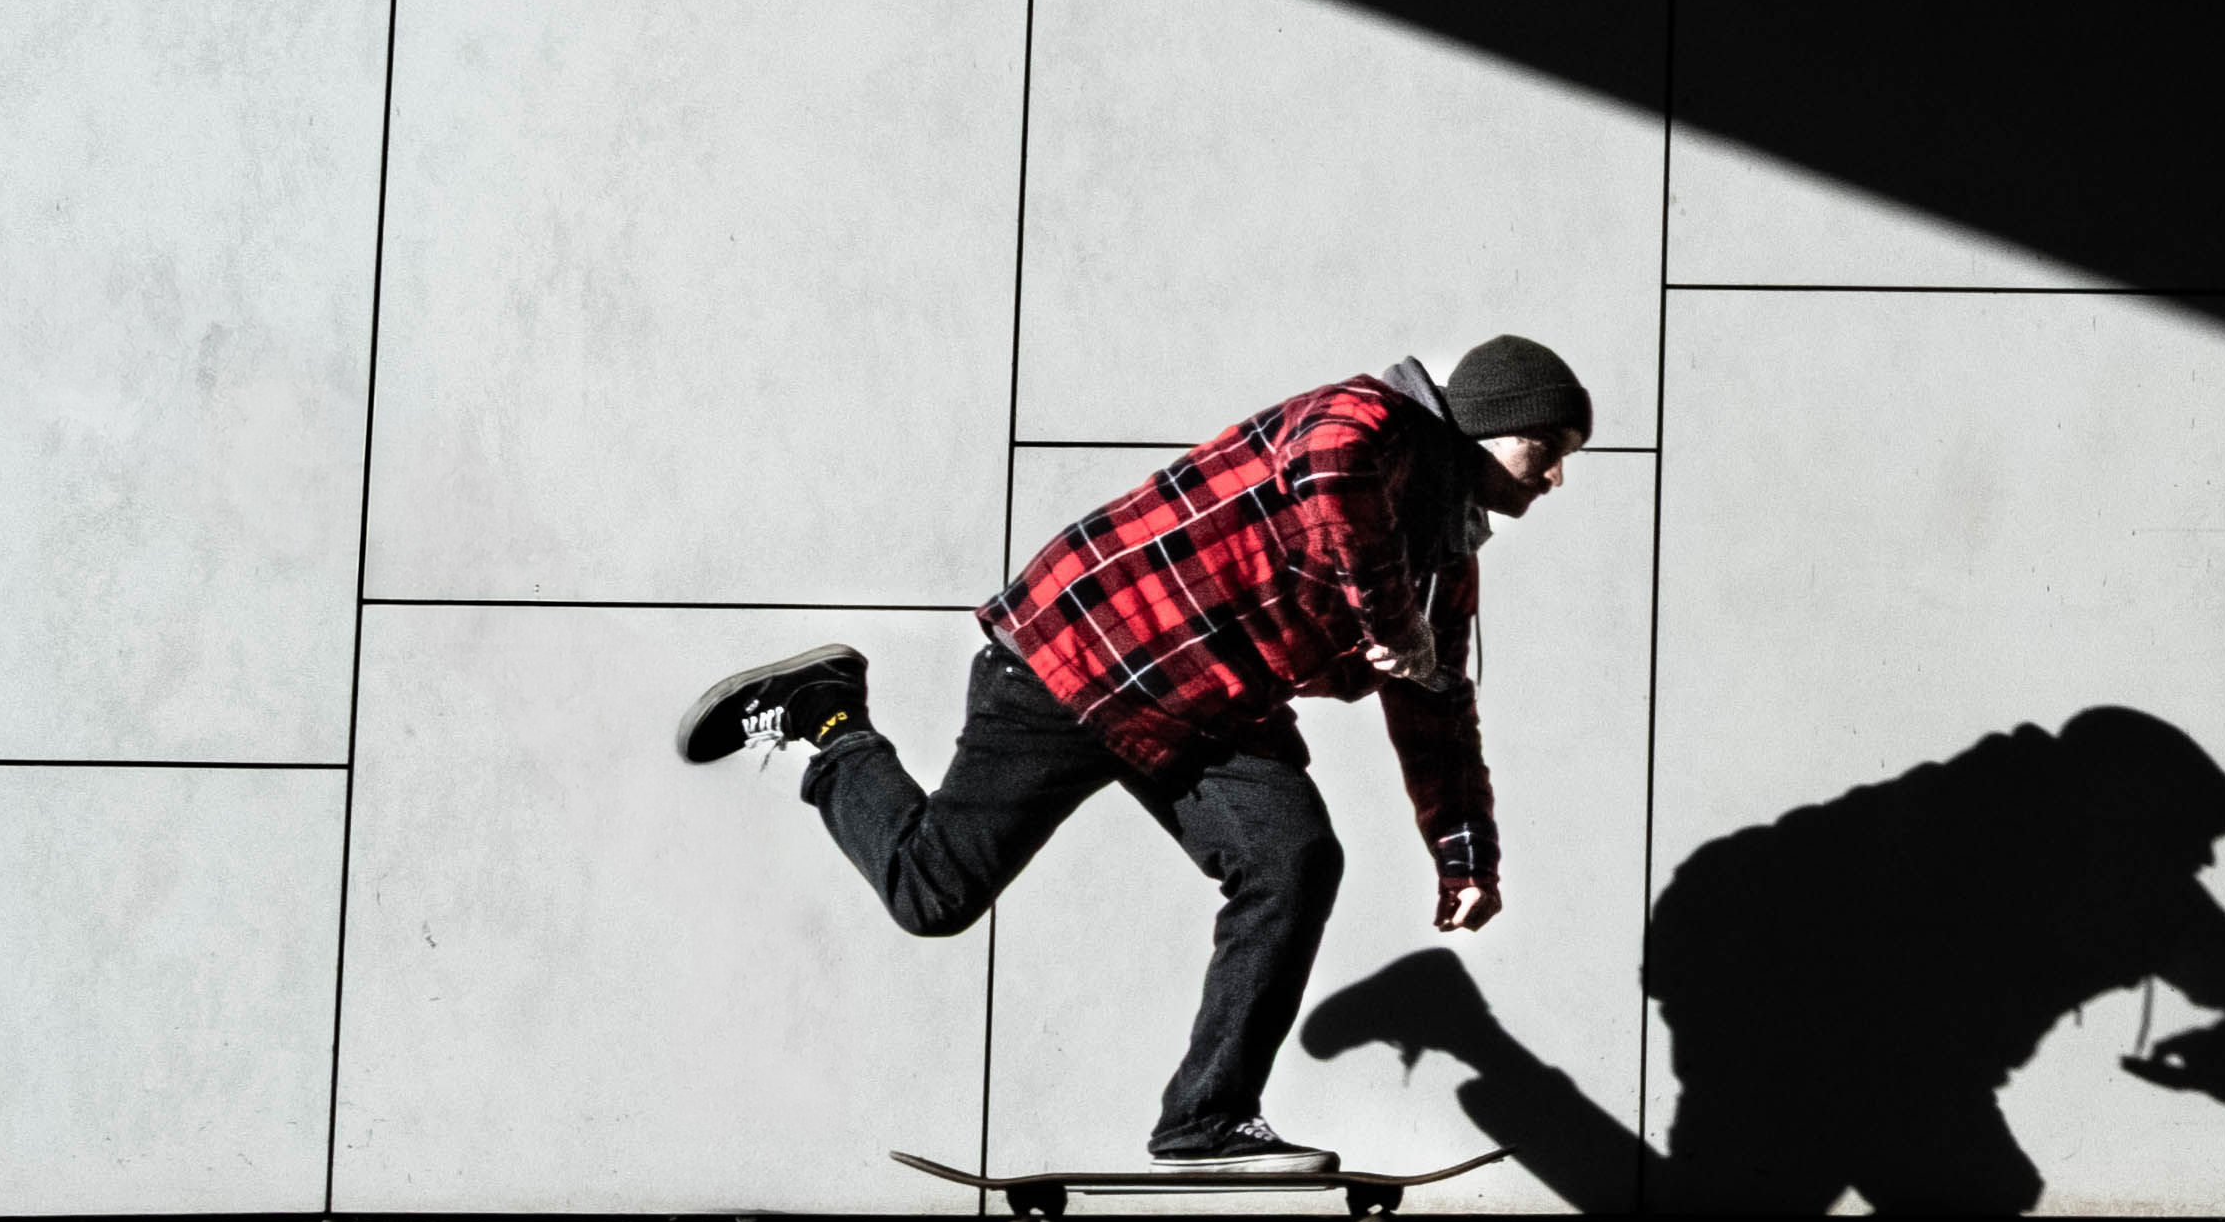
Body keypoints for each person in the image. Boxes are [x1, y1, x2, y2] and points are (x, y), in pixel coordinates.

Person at [670, 337, 1593, 1173]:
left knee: (1295, 859)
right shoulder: (1369, 417)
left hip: (1209, 710)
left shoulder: (1443, 561)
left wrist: (1464, 849)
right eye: (1547, 447)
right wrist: (1391, 622)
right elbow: (1330, 471)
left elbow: (1439, 705)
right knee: (931, 893)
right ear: (1485, 424)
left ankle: (1208, 1117)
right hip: (1083, 658)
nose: (1555, 477)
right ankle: (825, 715)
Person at [1304, 703, 2225, 1222]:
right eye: (2185, 840)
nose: (2197, 866)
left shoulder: (2129, 877)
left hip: (1822, 991)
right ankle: (1458, 1024)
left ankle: (1459, 1023)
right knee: (1735, 1209)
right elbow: (1877, 995)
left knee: (1836, 1198)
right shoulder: (1964, 834)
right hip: (1745, 948)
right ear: (2120, 811)